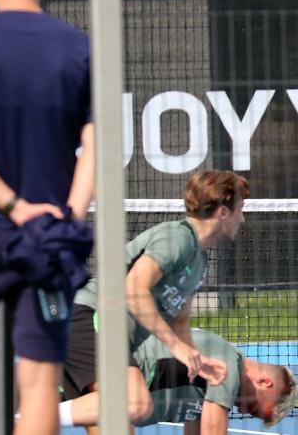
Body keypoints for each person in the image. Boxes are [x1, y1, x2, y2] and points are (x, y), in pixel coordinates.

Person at [0, 0, 95, 434]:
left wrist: (13, 207)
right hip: (48, 241)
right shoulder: (79, 48)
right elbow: (96, 146)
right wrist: (65, 217)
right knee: (42, 379)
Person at [60, 170, 251, 432]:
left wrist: (194, 356)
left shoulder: (199, 260)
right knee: (135, 403)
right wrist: (175, 347)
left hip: (111, 336)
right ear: (222, 212)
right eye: (240, 209)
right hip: (88, 316)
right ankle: (37, 414)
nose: (243, 217)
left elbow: (180, 319)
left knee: (118, 423)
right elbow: (134, 288)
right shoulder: (177, 238)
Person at [60, 328, 298, 433]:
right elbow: (213, 431)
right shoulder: (228, 365)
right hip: (107, 370)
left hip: (101, 395)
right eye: (254, 408)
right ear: (265, 382)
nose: (243, 410)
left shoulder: (209, 398)